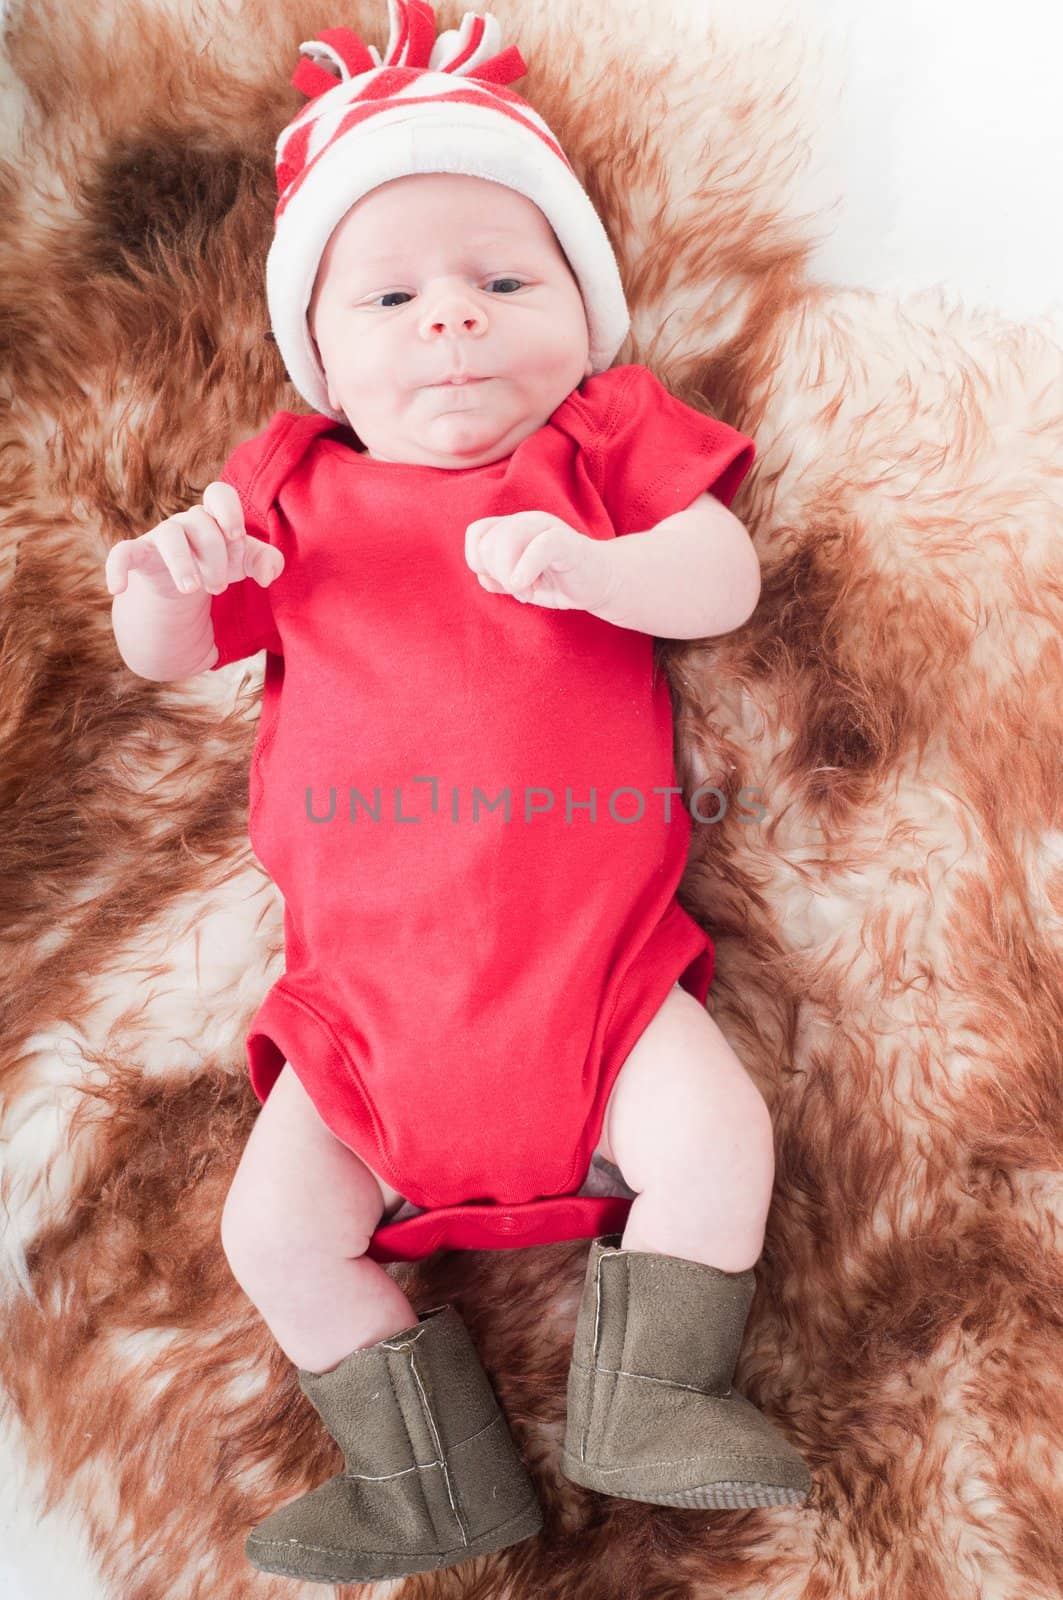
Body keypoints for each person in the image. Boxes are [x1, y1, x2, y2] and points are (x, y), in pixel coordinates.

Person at [105, 1, 813, 1583]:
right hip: (365, 1023)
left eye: (506, 281)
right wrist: (162, 580)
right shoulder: (289, 482)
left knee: (717, 1140)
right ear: (322, 351)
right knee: (274, 1233)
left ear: (582, 305)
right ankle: (425, 1478)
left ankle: (657, 1398)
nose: (454, 323)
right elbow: (165, 654)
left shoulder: (598, 437)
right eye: (396, 295)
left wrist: (600, 567)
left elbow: (721, 577)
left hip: (601, 979)